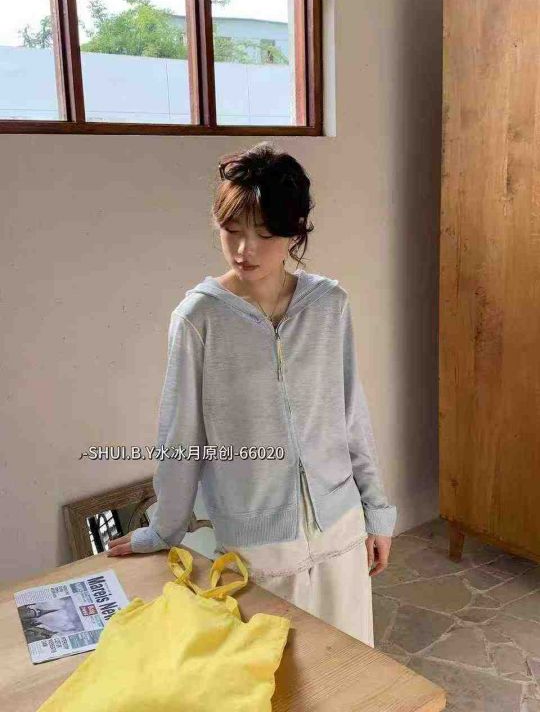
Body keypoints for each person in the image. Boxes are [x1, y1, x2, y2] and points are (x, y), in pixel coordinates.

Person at [108, 141, 397, 646]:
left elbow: (351, 417)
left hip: (340, 531)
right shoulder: (199, 319)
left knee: (351, 668)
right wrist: (163, 531)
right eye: (232, 231)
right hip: (260, 551)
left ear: (295, 231)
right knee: (276, 674)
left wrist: (377, 513)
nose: (245, 250)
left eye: (264, 234)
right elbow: (181, 438)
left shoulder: (328, 305)